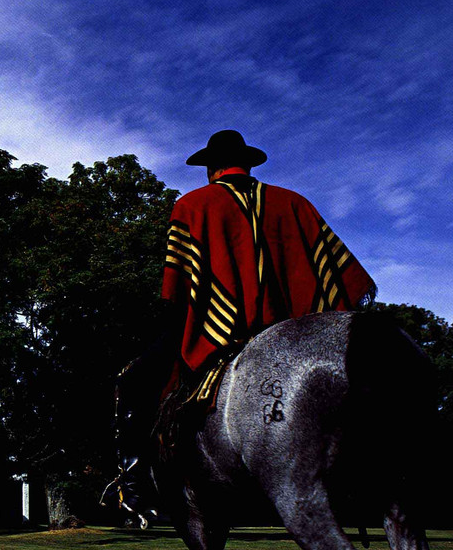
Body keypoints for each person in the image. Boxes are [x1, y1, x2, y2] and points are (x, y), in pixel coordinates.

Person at [113, 130, 375, 496]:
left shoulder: (193, 205)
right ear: (248, 164)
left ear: (210, 168)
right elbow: (337, 275)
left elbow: (177, 290)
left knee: (134, 380)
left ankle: (133, 482)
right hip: (293, 331)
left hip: (220, 331)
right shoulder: (295, 203)